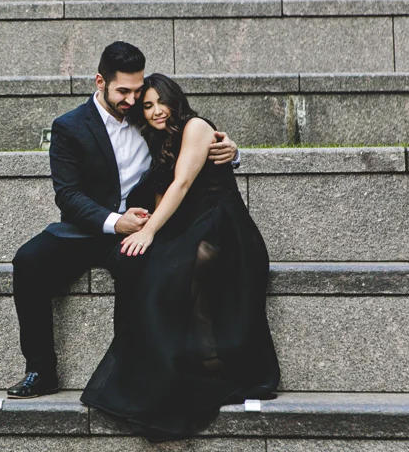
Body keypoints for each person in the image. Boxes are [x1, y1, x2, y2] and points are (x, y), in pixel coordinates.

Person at [6, 42, 240, 399]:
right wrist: (115, 222)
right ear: (100, 82)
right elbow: (67, 195)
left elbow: (190, 139)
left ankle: (132, 373)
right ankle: (41, 370)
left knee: (144, 267)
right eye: (123, 91)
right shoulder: (69, 127)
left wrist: (233, 151)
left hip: (142, 228)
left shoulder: (148, 115)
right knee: (28, 260)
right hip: (88, 228)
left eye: (137, 90)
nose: (132, 99)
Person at [80, 73, 280, 441]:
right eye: (148, 106)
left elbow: (183, 183)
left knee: (172, 271)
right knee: (151, 269)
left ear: (176, 100)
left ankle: (209, 362)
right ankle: (168, 372)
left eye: (161, 102)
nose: (156, 110)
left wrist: (149, 232)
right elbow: (162, 194)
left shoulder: (196, 126)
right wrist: (149, 230)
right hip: (193, 228)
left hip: (224, 229)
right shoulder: (159, 141)